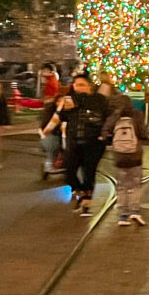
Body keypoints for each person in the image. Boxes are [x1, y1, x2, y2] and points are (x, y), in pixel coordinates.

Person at [44, 73, 108, 216]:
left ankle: (86, 200)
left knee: (89, 171)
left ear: (89, 86)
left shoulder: (98, 99)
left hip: (93, 142)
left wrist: (105, 134)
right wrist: (47, 128)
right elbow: (58, 116)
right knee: (69, 170)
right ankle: (80, 191)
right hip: (74, 141)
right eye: (76, 84)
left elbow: (105, 113)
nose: (78, 87)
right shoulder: (68, 101)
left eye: (81, 84)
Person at [102, 94, 148, 226]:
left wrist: (112, 141)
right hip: (135, 156)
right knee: (135, 184)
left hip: (119, 157)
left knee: (121, 186)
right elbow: (144, 134)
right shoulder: (137, 116)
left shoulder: (113, 118)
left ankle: (123, 215)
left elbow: (105, 132)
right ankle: (135, 211)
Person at [39, 85, 68, 180]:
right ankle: (49, 166)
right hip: (52, 136)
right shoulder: (53, 111)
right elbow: (49, 126)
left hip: (59, 136)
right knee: (53, 149)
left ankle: (55, 165)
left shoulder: (64, 110)